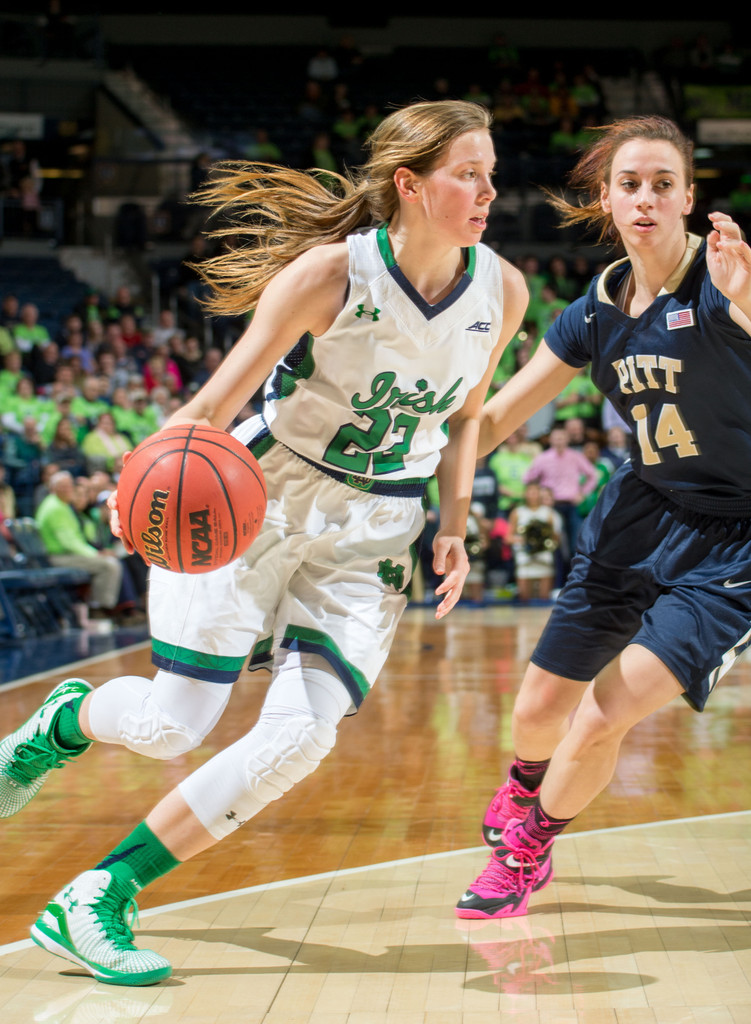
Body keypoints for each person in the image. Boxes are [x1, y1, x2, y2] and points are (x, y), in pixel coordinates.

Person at [0, 100, 527, 984]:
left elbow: (468, 414)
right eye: (466, 173)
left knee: (299, 739)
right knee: (176, 725)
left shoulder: (500, 289)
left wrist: (454, 523)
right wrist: (142, 488)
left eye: (490, 174)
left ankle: (98, 895)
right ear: (409, 183)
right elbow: (213, 403)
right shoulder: (331, 274)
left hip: (377, 529)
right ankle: (65, 720)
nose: (487, 191)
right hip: (262, 499)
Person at [455, 115, 751, 920]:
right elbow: (496, 420)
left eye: (662, 184)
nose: (646, 199)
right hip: (641, 510)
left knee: (602, 713)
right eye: (630, 185)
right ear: (607, 200)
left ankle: (528, 850)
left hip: (734, 539)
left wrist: (744, 299)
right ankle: (522, 790)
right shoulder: (594, 308)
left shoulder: (726, 281)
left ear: (689, 197)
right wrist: (400, 456)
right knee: (536, 713)